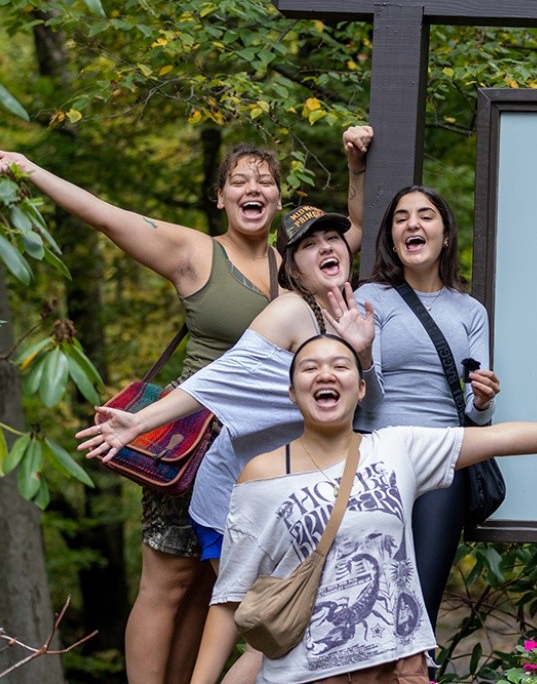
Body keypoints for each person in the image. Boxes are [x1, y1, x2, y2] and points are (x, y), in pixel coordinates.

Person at [1, 126, 369, 684]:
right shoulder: (195, 251)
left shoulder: (292, 263)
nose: (254, 188)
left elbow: (353, 234)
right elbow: (105, 215)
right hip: (194, 434)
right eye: (240, 180)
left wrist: (356, 168)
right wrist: (28, 167)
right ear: (220, 197)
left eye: (265, 181)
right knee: (169, 581)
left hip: (264, 448)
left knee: (212, 585)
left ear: (276, 199)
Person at [189, 333, 537, 684]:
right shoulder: (261, 474)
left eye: (340, 366)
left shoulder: (397, 447)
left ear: (361, 389)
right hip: (306, 674)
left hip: (397, 669)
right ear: (292, 392)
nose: (326, 374)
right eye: (310, 367)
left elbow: (501, 439)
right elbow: (230, 598)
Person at [78, 203, 377, 683]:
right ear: (292, 268)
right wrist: (138, 423)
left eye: (334, 239)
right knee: (274, 620)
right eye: (308, 245)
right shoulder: (288, 312)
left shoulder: (349, 313)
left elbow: (368, 405)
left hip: (287, 493)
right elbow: (217, 380)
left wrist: (362, 353)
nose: (327, 248)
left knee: (281, 620)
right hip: (232, 495)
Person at [354, 184, 501, 631]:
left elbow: (480, 417)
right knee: (370, 593)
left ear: (445, 235)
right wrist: (361, 357)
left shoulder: (470, 311)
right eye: (401, 218)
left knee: (421, 600)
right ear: (393, 238)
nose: (412, 224)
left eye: (425, 215)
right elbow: (368, 397)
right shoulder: (372, 297)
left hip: (444, 455)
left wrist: (481, 399)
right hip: (377, 452)